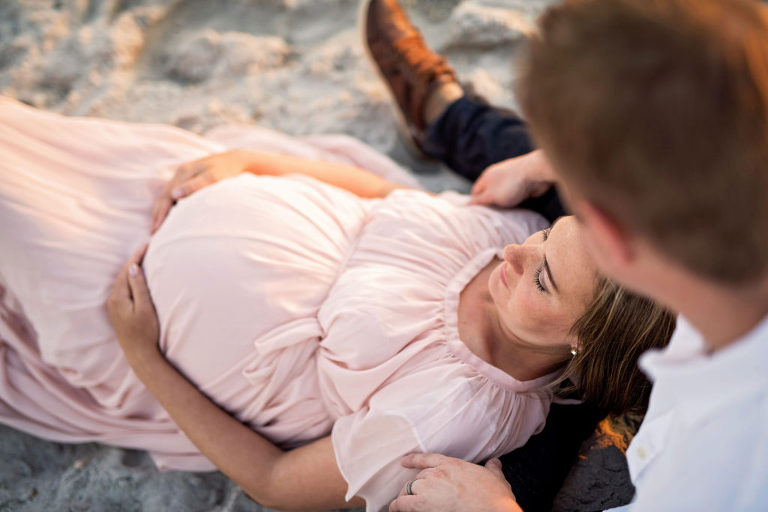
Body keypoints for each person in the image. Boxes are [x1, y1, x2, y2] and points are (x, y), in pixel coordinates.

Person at [0, 93, 673, 511]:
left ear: (583, 345)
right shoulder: (519, 233)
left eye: (544, 279)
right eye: (548, 237)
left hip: (130, 315)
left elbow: (279, 483)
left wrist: (140, 353)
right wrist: (253, 164)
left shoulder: (450, 415)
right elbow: (384, 200)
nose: (515, 255)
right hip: (169, 196)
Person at [379, 0, 768, 510]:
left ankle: (449, 115)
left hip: (635, 457)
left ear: (610, 235)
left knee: (533, 445)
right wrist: (548, 163)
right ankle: (445, 114)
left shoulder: (721, 472)